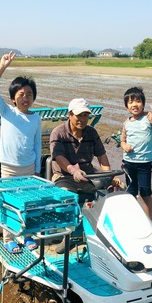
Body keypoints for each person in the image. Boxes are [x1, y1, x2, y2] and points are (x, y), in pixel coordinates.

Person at [0, 51, 41, 254]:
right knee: (8, 203)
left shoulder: (36, 118)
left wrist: (36, 169)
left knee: (27, 203)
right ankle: (9, 238)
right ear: (13, 98)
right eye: (21, 94)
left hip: (28, 167)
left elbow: (37, 145)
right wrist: (2, 66)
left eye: (29, 94)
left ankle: (27, 236)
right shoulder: (7, 112)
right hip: (8, 168)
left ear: (34, 97)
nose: (25, 98)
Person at [50, 98, 115, 253]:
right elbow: (59, 158)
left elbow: (102, 157)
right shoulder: (58, 132)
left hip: (87, 177)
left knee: (106, 199)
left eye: (86, 115)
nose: (83, 119)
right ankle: (68, 237)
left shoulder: (91, 132)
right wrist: (73, 171)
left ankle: (96, 236)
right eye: (79, 115)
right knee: (68, 198)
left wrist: (109, 177)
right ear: (70, 115)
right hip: (64, 177)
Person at [120, 86, 152, 220]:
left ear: (143, 104)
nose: (134, 104)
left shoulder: (150, 117)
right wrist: (125, 146)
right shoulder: (126, 123)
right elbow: (122, 141)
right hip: (128, 163)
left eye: (137, 101)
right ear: (126, 107)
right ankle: (133, 219)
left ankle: (149, 221)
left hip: (144, 164)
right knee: (131, 193)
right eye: (130, 102)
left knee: (145, 193)